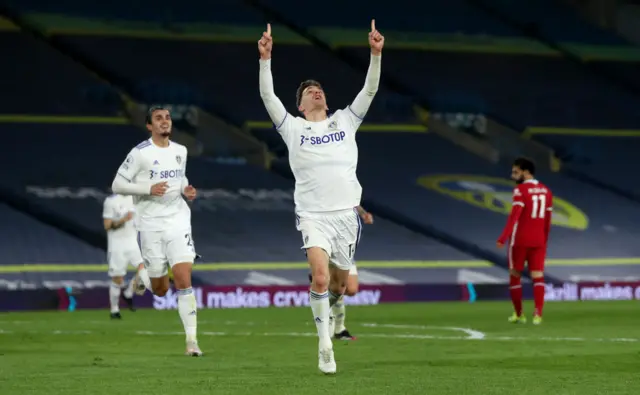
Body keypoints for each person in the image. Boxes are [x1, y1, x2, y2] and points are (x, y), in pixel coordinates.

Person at [258, 20, 384, 374]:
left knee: (340, 285)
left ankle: (332, 316)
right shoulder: (293, 128)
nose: (316, 92)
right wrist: (265, 60)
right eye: (308, 91)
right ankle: (325, 345)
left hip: (346, 216)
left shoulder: (345, 121)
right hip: (313, 214)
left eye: (319, 89)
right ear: (298, 105)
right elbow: (268, 97)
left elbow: (370, 91)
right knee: (320, 277)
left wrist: (375, 54)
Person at [111, 106, 202, 356]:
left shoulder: (181, 151)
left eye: (167, 118)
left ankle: (192, 342)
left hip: (178, 221)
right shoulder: (140, 153)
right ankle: (144, 278)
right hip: (150, 225)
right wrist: (148, 189)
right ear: (149, 126)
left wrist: (186, 190)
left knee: (184, 279)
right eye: (158, 119)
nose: (164, 122)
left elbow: (180, 179)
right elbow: (117, 184)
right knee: (161, 290)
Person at [496, 157, 553, 325]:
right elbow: (548, 220)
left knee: (515, 275)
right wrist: (544, 240)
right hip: (539, 240)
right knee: (538, 276)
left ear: (526, 172)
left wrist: (502, 238)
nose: (513, 176)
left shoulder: (520, 191)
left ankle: (519, 314)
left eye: (516, 172)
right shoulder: (546, 191)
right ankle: (538, 314)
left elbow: (514, 217)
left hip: (519, 240)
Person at [102, 193, 147, 319]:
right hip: (116, 246)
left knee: (146, 268)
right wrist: (123, 220)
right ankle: (114, 310)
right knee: (118, 279)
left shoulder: (135, 199)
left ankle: (128, 293)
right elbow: (107, 225)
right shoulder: (110, 201)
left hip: (132, 243)